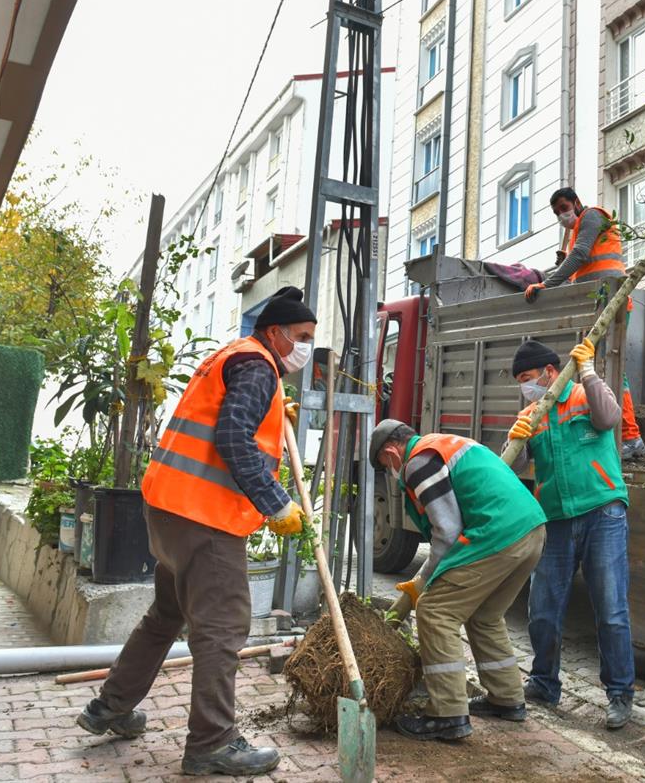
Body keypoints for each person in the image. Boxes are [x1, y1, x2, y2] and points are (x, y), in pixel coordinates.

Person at [75, 286, 316, 777]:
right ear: (275, 333)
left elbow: (223, 421)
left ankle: (111, 707)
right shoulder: (256, 366)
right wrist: (275, 502)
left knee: (166, 614)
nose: (307, 347)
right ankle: (212, 742)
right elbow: (232, 438)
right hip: (205, 520)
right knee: (223, 628)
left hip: (168, 508)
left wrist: (271, 410)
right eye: (303, 337)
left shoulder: (232, 357)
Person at [369, 419, 547, 741]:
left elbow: (447, 532)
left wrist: (423, 580)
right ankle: (507, 699)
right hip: (531, 530)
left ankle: (448, 714)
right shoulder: (442, 444)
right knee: (485, 615)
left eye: (384, 464)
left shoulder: (418, 462)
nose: (390, 472)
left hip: (499, 535)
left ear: (391, 451)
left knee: (435, 613)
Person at [507, 338, 635, 729]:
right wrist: (516, 436)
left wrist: (590, 371)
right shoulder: (534, 412)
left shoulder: (585, 393)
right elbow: (512, 467)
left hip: (602, 512)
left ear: (550, 372)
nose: (525, 387)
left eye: (529, 378)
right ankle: (544, 682)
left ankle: (619, 694)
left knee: (611, 610)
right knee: (543, 609)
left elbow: (609, 419)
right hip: (556, 519)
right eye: (520, 382)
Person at [523, 187, 645, 460]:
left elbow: (580, 256)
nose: (562, 215)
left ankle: (630, 437)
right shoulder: (579, 229)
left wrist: (547, 283)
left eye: (564, 208)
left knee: (611, 370)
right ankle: (627, 436)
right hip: (601, 304)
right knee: (605, 370)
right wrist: (562, 270)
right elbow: (580, 265)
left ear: (577, 202)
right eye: (556, 213)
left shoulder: (591, 216)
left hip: (611, 302)